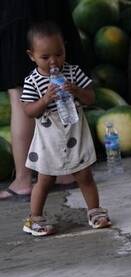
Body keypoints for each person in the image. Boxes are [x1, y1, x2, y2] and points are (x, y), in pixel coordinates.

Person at [21, 20, 110, 236]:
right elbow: (29, 110)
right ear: (32, 55)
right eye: (45, 57)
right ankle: (34, 218)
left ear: (65, 49)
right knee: (45, 178)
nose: (54, 61)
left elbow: (90, 98)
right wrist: (45, 99)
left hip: (74, 132)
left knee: (84, 174)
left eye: (59, 54)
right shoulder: (32, 81)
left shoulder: (73, 72)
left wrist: (77, 90)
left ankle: (95, 211)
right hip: (49, 137)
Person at [0, 0, 84, 201]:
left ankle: (23, 179)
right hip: (52, 10)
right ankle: (66, 172)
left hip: (17, 12)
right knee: (59, 83)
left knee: (21, 96)